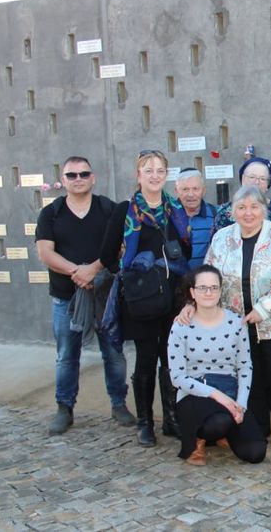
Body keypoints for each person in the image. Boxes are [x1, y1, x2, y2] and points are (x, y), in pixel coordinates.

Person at [35, 155, 134, 435]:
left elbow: (121, 247)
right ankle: (64, 408)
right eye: (72, 175)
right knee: (67, 355)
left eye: (84, 174)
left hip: (105, 296)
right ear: (63, 180)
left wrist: (94, 270)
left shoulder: (108, 209)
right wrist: (78, 272)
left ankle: (118, 404)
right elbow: (45, 253)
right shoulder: (51, 213)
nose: (78, 179)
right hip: (66, 298)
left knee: (114, 353)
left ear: (93, 178)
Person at [99, 149, 191, 447]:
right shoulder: (125, 211)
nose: (155, 176)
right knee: (146, 359)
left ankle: (172, 419)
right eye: (148, 170)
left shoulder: (175, 209)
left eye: (160, 170)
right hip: (142, 299)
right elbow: (107, 255)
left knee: (171, 357)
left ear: (167, 175)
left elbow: (185, 249)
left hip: (172, 296)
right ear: (138, 175)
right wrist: (135, 274)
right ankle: (145, 423)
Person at [204, 185, 271, 449]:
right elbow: (209, 274)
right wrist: (206, 307)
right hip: (236, 322)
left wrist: (265, 307)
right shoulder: (222, 238)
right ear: (233, 211)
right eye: (241, 207)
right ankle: (260, 428)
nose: (248, 213)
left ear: (264, 209)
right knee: (250, 375)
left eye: (254, 207)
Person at [168, 265, 266, 465]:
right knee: (220, 422)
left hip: (229, 390)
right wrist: (218, 396)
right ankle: (199, 439)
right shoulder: (180, 326)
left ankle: (226, 432)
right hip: (195, 393)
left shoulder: (236, 323)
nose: (208, 292)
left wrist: (241, 404)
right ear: (192, 292)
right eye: (202, 288)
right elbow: (177, 378)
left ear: (221, 291)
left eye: (214, 287)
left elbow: (245, 366)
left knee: (256, 452)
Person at [211, 156, 271, 235]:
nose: (257, 182)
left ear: (268, 184)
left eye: (262, 178)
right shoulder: (224, 212)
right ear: (243, 179)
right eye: (252, 177)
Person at [174, 168, 217, 269]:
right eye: (185, 189)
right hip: (176, 277)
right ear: (176, 191)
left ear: (204, 190)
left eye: (195, 189)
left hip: (205, 277)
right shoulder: (167, 216)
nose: (190, 194)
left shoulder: (216, 215)